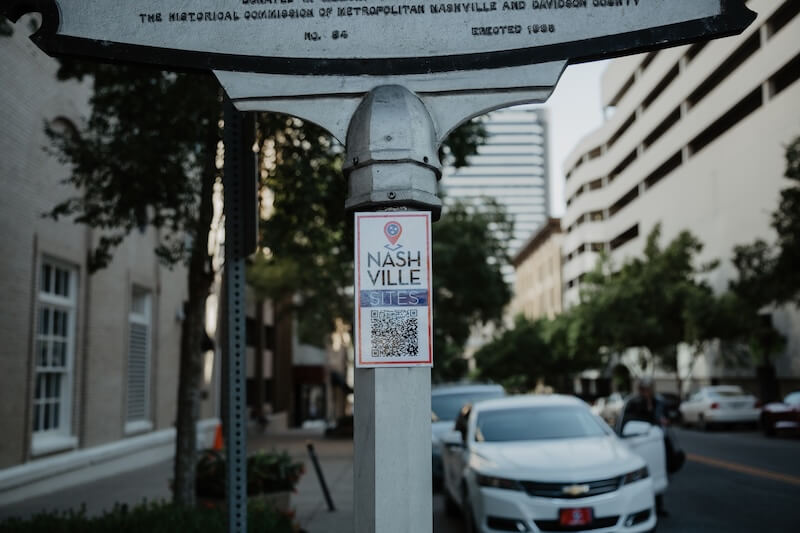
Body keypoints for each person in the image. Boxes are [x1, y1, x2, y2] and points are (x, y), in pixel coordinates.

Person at [617, 378, 679, 518]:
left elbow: (668, 416)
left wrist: (665, 420)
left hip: (658, 442)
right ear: (639, 389)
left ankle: (659, 506)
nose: (646, 391)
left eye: (648, 388)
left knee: (659, 473)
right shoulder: (633, 403)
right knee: (640, 477)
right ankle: (638, 507)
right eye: (643, 388)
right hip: (639, 443)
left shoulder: (659, 402)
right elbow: (629, 422)